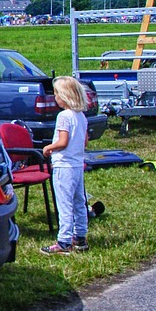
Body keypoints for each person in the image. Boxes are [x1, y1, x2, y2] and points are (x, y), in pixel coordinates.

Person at [41, 76, 90, 254]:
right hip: (77, 165)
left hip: (64, 165)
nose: (55, 98)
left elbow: (63, 142)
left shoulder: (64, 116)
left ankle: (63, 241)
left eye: (56, 94)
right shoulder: (81, 116)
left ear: (64, 96)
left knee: (64, 203)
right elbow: (84, 141)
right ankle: (80, 237)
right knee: (79, 201)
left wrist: (49, 147)